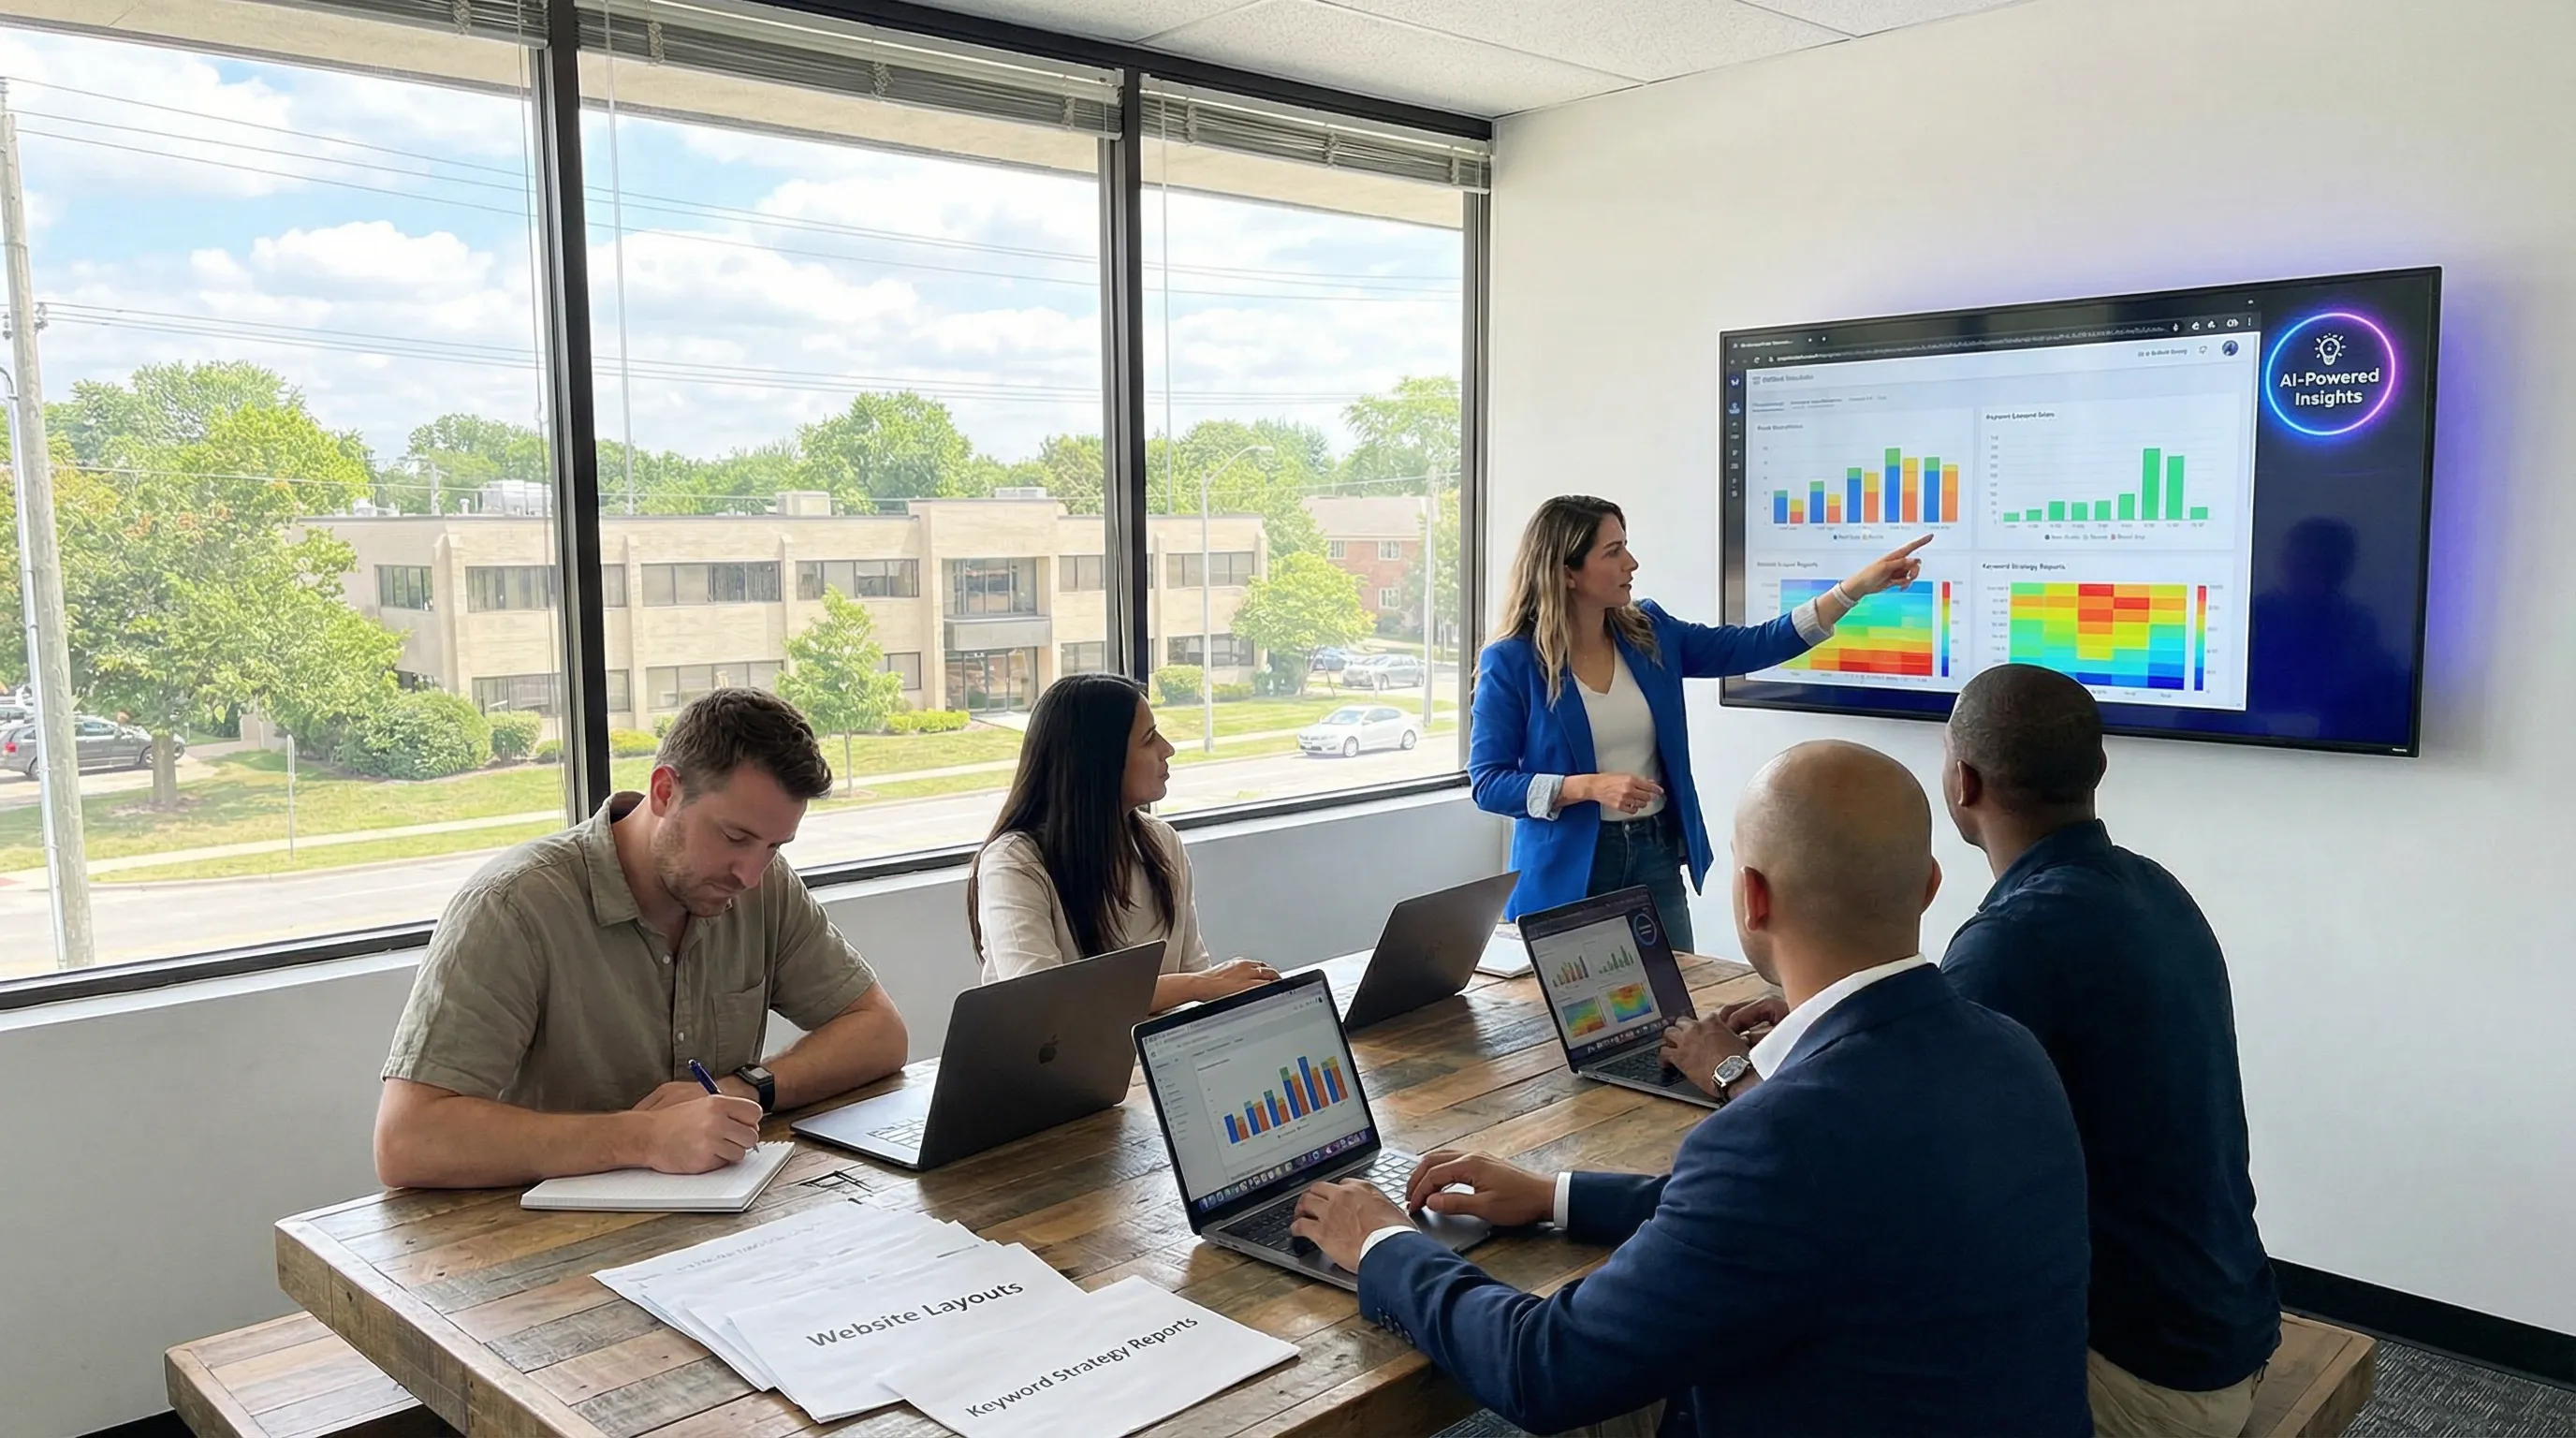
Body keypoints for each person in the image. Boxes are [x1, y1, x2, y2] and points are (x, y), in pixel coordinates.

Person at [1293, 741, 2092, 1438]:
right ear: (1925, 885)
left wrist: (1382, 1243)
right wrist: (1555, 1195)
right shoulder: (2013, 1053)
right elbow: (1782, 1219)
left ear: (1752, 897)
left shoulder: (1782, 1136)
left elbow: (1544, 1369)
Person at [373, 688, 909, 1189]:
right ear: (664, 791)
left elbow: (879, 1031)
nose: (749, 873)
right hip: (546, 1245)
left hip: (723, 1220)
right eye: (735, 837)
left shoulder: (764, 884)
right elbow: (407, 1139)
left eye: (773, 845)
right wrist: (644, 1137)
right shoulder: (514, 905)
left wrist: (744, 1087)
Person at [1940, 664, 2278, 1436]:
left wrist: (1732, 1072)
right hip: (2227, 1330)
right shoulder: (2152, 889)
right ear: (2098, 768)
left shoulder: (2013, 942)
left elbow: (1890, 1154)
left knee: (1808, 1331)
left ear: (1963, 781)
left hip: (2148, 1381)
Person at [1469, 494, 1928, 950]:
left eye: (1626, 545)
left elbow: (1755, 645)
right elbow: (1489, 782)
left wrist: (1853, 590)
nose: (1632, 562)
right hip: (1568, 870)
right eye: (1613, 552)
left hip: (1655, 853)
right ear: (1567, 572)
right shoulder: (1511, 660)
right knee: (1575, 1017)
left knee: (1673, 1008)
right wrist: (1585, 787)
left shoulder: (1649, 631)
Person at [969, 672, 1276, 1013]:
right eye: (1149, 739)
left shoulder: (1161, 842)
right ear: (1098, 761)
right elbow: (1043, 1003)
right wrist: (1198, 985)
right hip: (1061, 1066)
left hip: (1155, 1059)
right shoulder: (1014, 863)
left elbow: (1195, 971)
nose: (1168, 749)